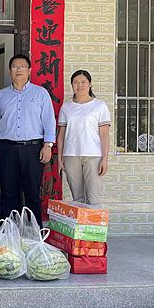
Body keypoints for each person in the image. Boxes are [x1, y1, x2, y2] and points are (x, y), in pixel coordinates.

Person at [0, 54, 56, 225]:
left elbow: (49, 120)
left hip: (33, 149)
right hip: (7, 149)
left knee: (32, 192)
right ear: (9, 70)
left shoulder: (40, 93)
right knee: (8, 192)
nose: (18, 70)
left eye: (22, 66)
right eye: (14, 67)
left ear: (29, 70)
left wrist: (48, 145)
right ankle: (9, 231)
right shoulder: (1, 95)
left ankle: (33, 231)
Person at [57, 70, 110, 206]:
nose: (79, 85)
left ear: (90, 84)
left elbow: (104, 135)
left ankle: (94, 221)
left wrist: (105, 159)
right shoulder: (66, 107)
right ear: (72, 85)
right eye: (76, 82)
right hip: (71, 156)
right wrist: (59, 158)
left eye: (83, 82)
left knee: (93, 199)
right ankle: (80, 222)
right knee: (78, 199)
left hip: (93, 156)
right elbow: (61, 135)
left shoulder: (99, 106)